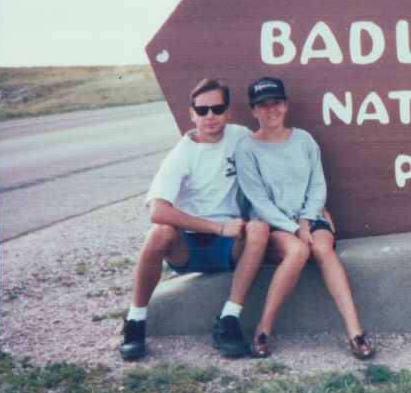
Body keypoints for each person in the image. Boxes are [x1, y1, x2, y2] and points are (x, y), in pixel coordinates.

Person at [119, 78, 271, 360]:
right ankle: (135, 321)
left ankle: (229, 319)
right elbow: (158, 210)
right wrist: (218, 227)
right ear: (192, 114)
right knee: (159, 232)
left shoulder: (240, 136)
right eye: (202, 111)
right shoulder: (181, 154)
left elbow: (272, 155)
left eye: (217, 109)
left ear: (227, 112)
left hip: (229, 246)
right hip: (188, 246)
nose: (210, 116)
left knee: (260, 229)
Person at [234, 76, 376, 359]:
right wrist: (293, 228)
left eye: (275, 103)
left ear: (285, 106)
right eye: (263, 105)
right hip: (275, 223)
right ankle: (264, 329)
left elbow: (317, 185)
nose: (270, 109)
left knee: (322, 248)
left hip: (309, 218)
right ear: (253, 110)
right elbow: (258, 200)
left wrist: (306, 221)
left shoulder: (304, 140)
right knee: (298, 251)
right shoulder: (247, 150)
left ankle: (355, 333)